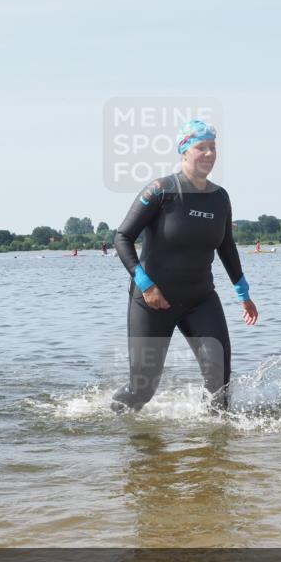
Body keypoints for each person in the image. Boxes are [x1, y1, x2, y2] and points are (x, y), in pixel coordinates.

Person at [112, 119, 258, 412]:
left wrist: (243, 294)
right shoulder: (161, 190)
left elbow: (226, 246)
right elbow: (122, 238)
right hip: (152, 301)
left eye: (213, 148)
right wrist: (147, 285)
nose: (209, 154)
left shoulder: (220, 197)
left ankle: (214, 452)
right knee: (143, 389)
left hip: (200, 299)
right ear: (183, 152)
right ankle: (115, 416)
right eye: (200, 147)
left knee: (220, 383)